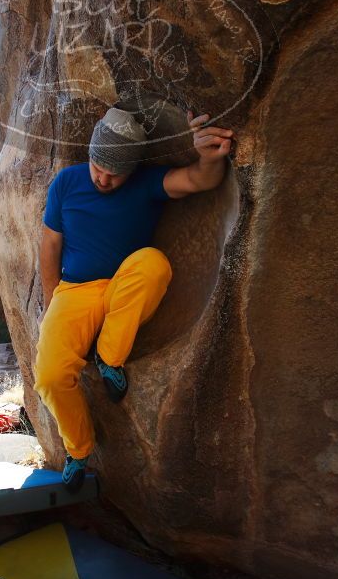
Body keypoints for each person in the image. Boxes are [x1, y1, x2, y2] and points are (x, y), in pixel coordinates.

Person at [35, 107, 234, 491]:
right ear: (90, 154)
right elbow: (50, 245)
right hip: (74, 290)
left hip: (125, 286)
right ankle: (78, 450)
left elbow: (200, 180)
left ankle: (110, 358)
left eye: (115, 172)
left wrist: (209, 157)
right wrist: (51, 302)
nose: (104, 178)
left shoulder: (146, 183)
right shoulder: (66, 182)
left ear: (133, 168)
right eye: (98, 166)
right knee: (50, 376)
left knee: (153, 263)